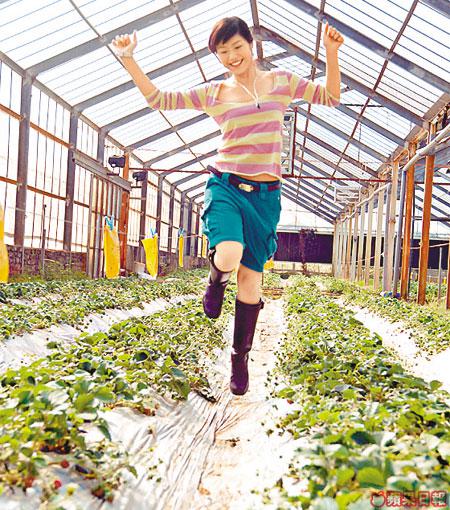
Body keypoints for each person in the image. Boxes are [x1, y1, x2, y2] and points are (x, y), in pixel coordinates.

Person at [112, 17, 343, 395]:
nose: (232, 56)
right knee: (230, 252)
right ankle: (215, 281)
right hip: (226, 186)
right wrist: (129, 60)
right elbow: (158, 99)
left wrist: (331, 53)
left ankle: (239, 357)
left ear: (250, 44)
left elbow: (331, 97)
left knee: (251, 280)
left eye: (236, 47)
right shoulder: (215, 93)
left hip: (266, 197)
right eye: (223, 52)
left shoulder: (282, 82)